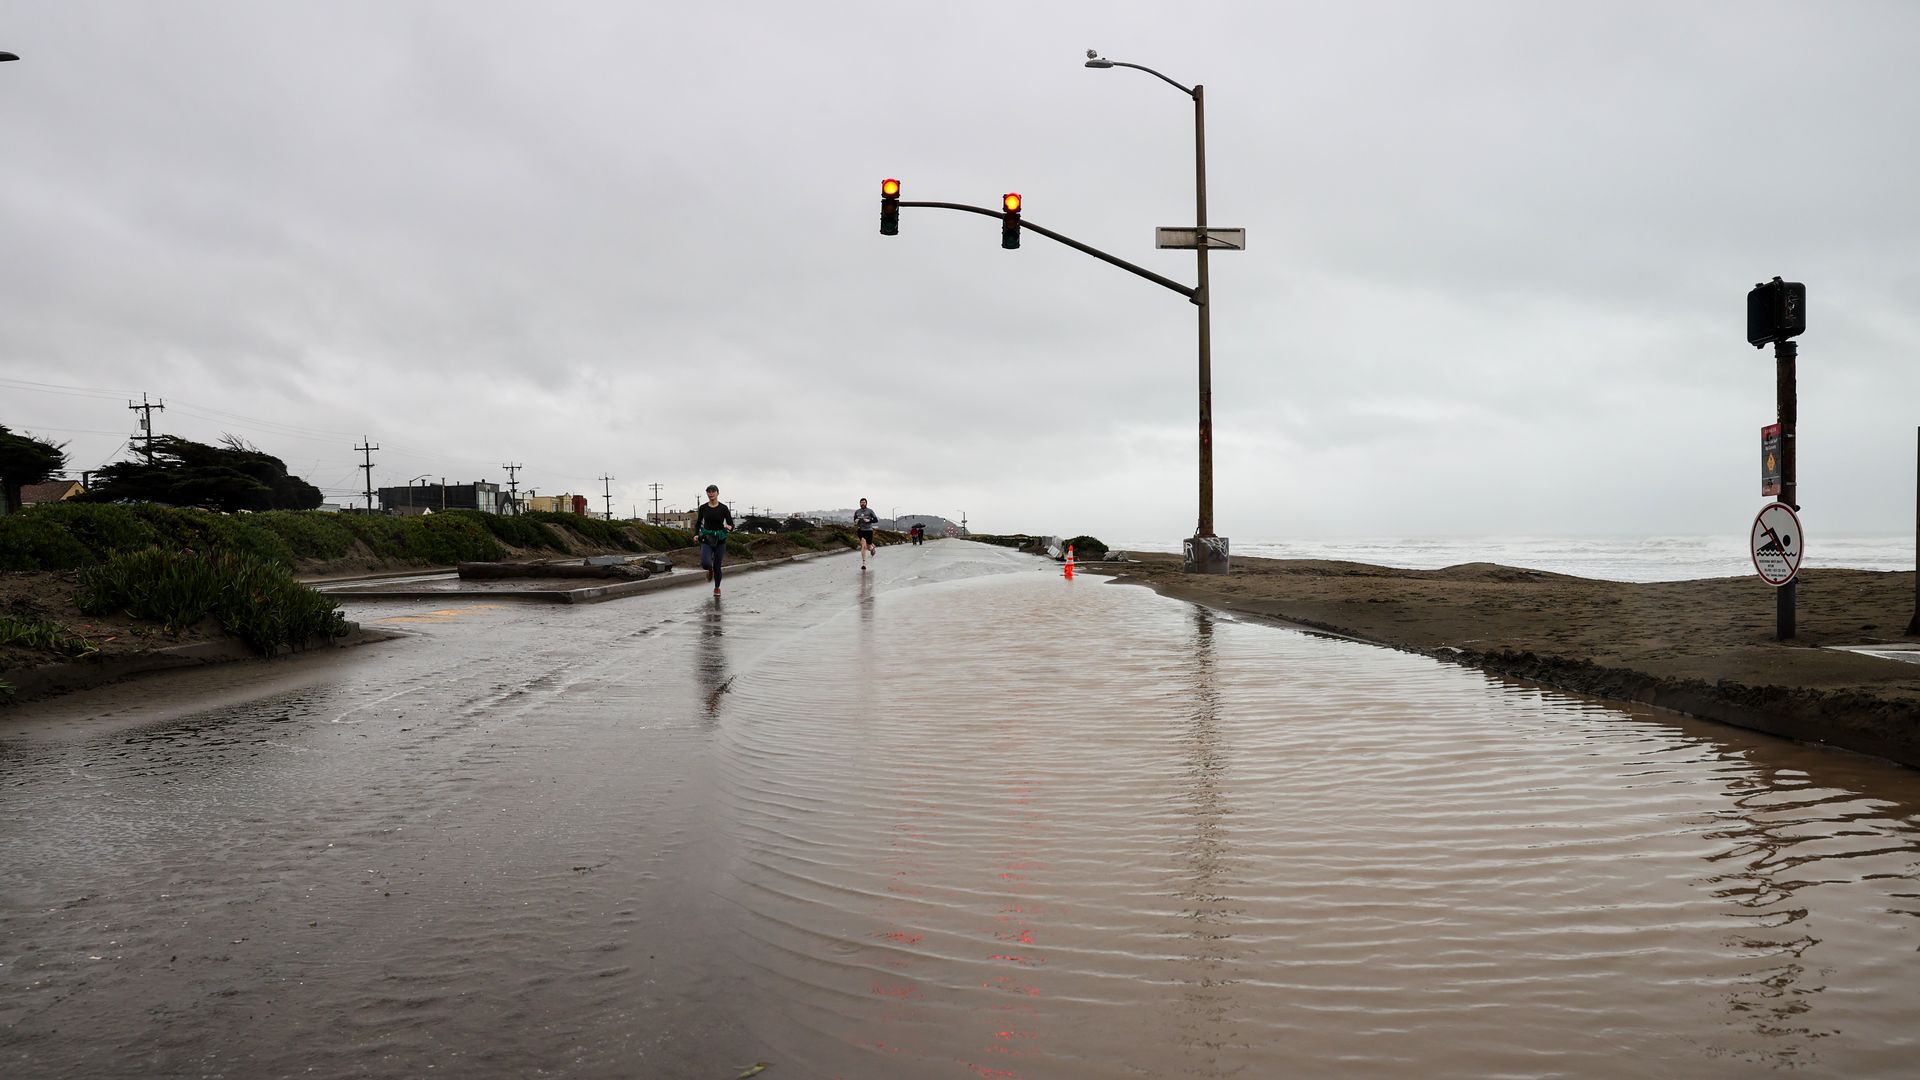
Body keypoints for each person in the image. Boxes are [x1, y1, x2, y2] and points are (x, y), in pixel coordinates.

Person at [695, 484, 733, 595]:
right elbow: (698, 523)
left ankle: (717, 588)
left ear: (717, 493)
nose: (711, 493)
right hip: (706, 538)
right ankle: (709, 570)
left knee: (717, 565)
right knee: (705, 563)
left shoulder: (723, 508)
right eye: (709, 491)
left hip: (720, 539)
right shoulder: (703, 508)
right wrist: (696, 534)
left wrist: (730, 527)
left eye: (713, 491)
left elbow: (730, 523)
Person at [852, 498, 879, 569]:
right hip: (861, 530)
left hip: (869, 530)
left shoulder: (870, 511)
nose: (862, 504)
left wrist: (869, 520)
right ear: (860, 503)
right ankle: (864, 563)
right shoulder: (857, 512)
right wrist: (856, 521)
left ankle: (872, 548)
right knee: (863, 546)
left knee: (868, 547)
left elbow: (876, 520)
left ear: (866, 503)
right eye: (861, 502)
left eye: (864, 502)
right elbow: (854, 521)